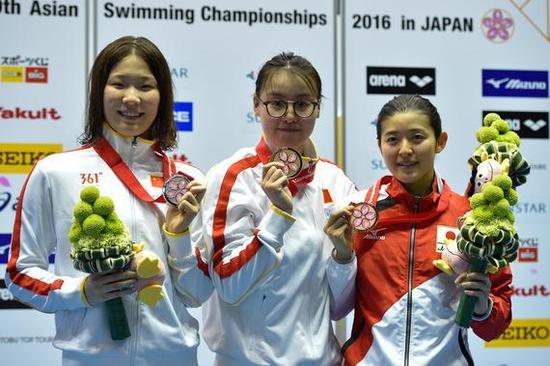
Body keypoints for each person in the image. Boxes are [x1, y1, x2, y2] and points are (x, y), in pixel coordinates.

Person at [4, 36, 210, 366]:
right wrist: (81, 291)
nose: (132, 98)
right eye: (119, 84)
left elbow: (197, 293)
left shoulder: (186, 181)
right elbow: (18, 274)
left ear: (163, 96)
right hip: (90, 359)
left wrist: (179, 237)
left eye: (145, 86)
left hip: (173, 356)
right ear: (99, 91)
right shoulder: (55, 172)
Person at [194, 52, 357, 365]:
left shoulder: (335, 181)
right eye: (277, 103)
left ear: (318, 108)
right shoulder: (233, 176)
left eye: (303, 103)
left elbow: (339, 307)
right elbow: (228, 285)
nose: (290, 115)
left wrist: (343, 256)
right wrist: (278, 217)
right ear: (257, 105)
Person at [324, 94, 513, 366]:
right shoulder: (357, 212)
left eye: (416, 137)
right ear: (379, 145)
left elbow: (496, 326)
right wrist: (342, 255)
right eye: (392, 139)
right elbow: (337, 308)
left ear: (440, 141)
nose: (404, 149)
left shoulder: (472, 219)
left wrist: (482, 307)